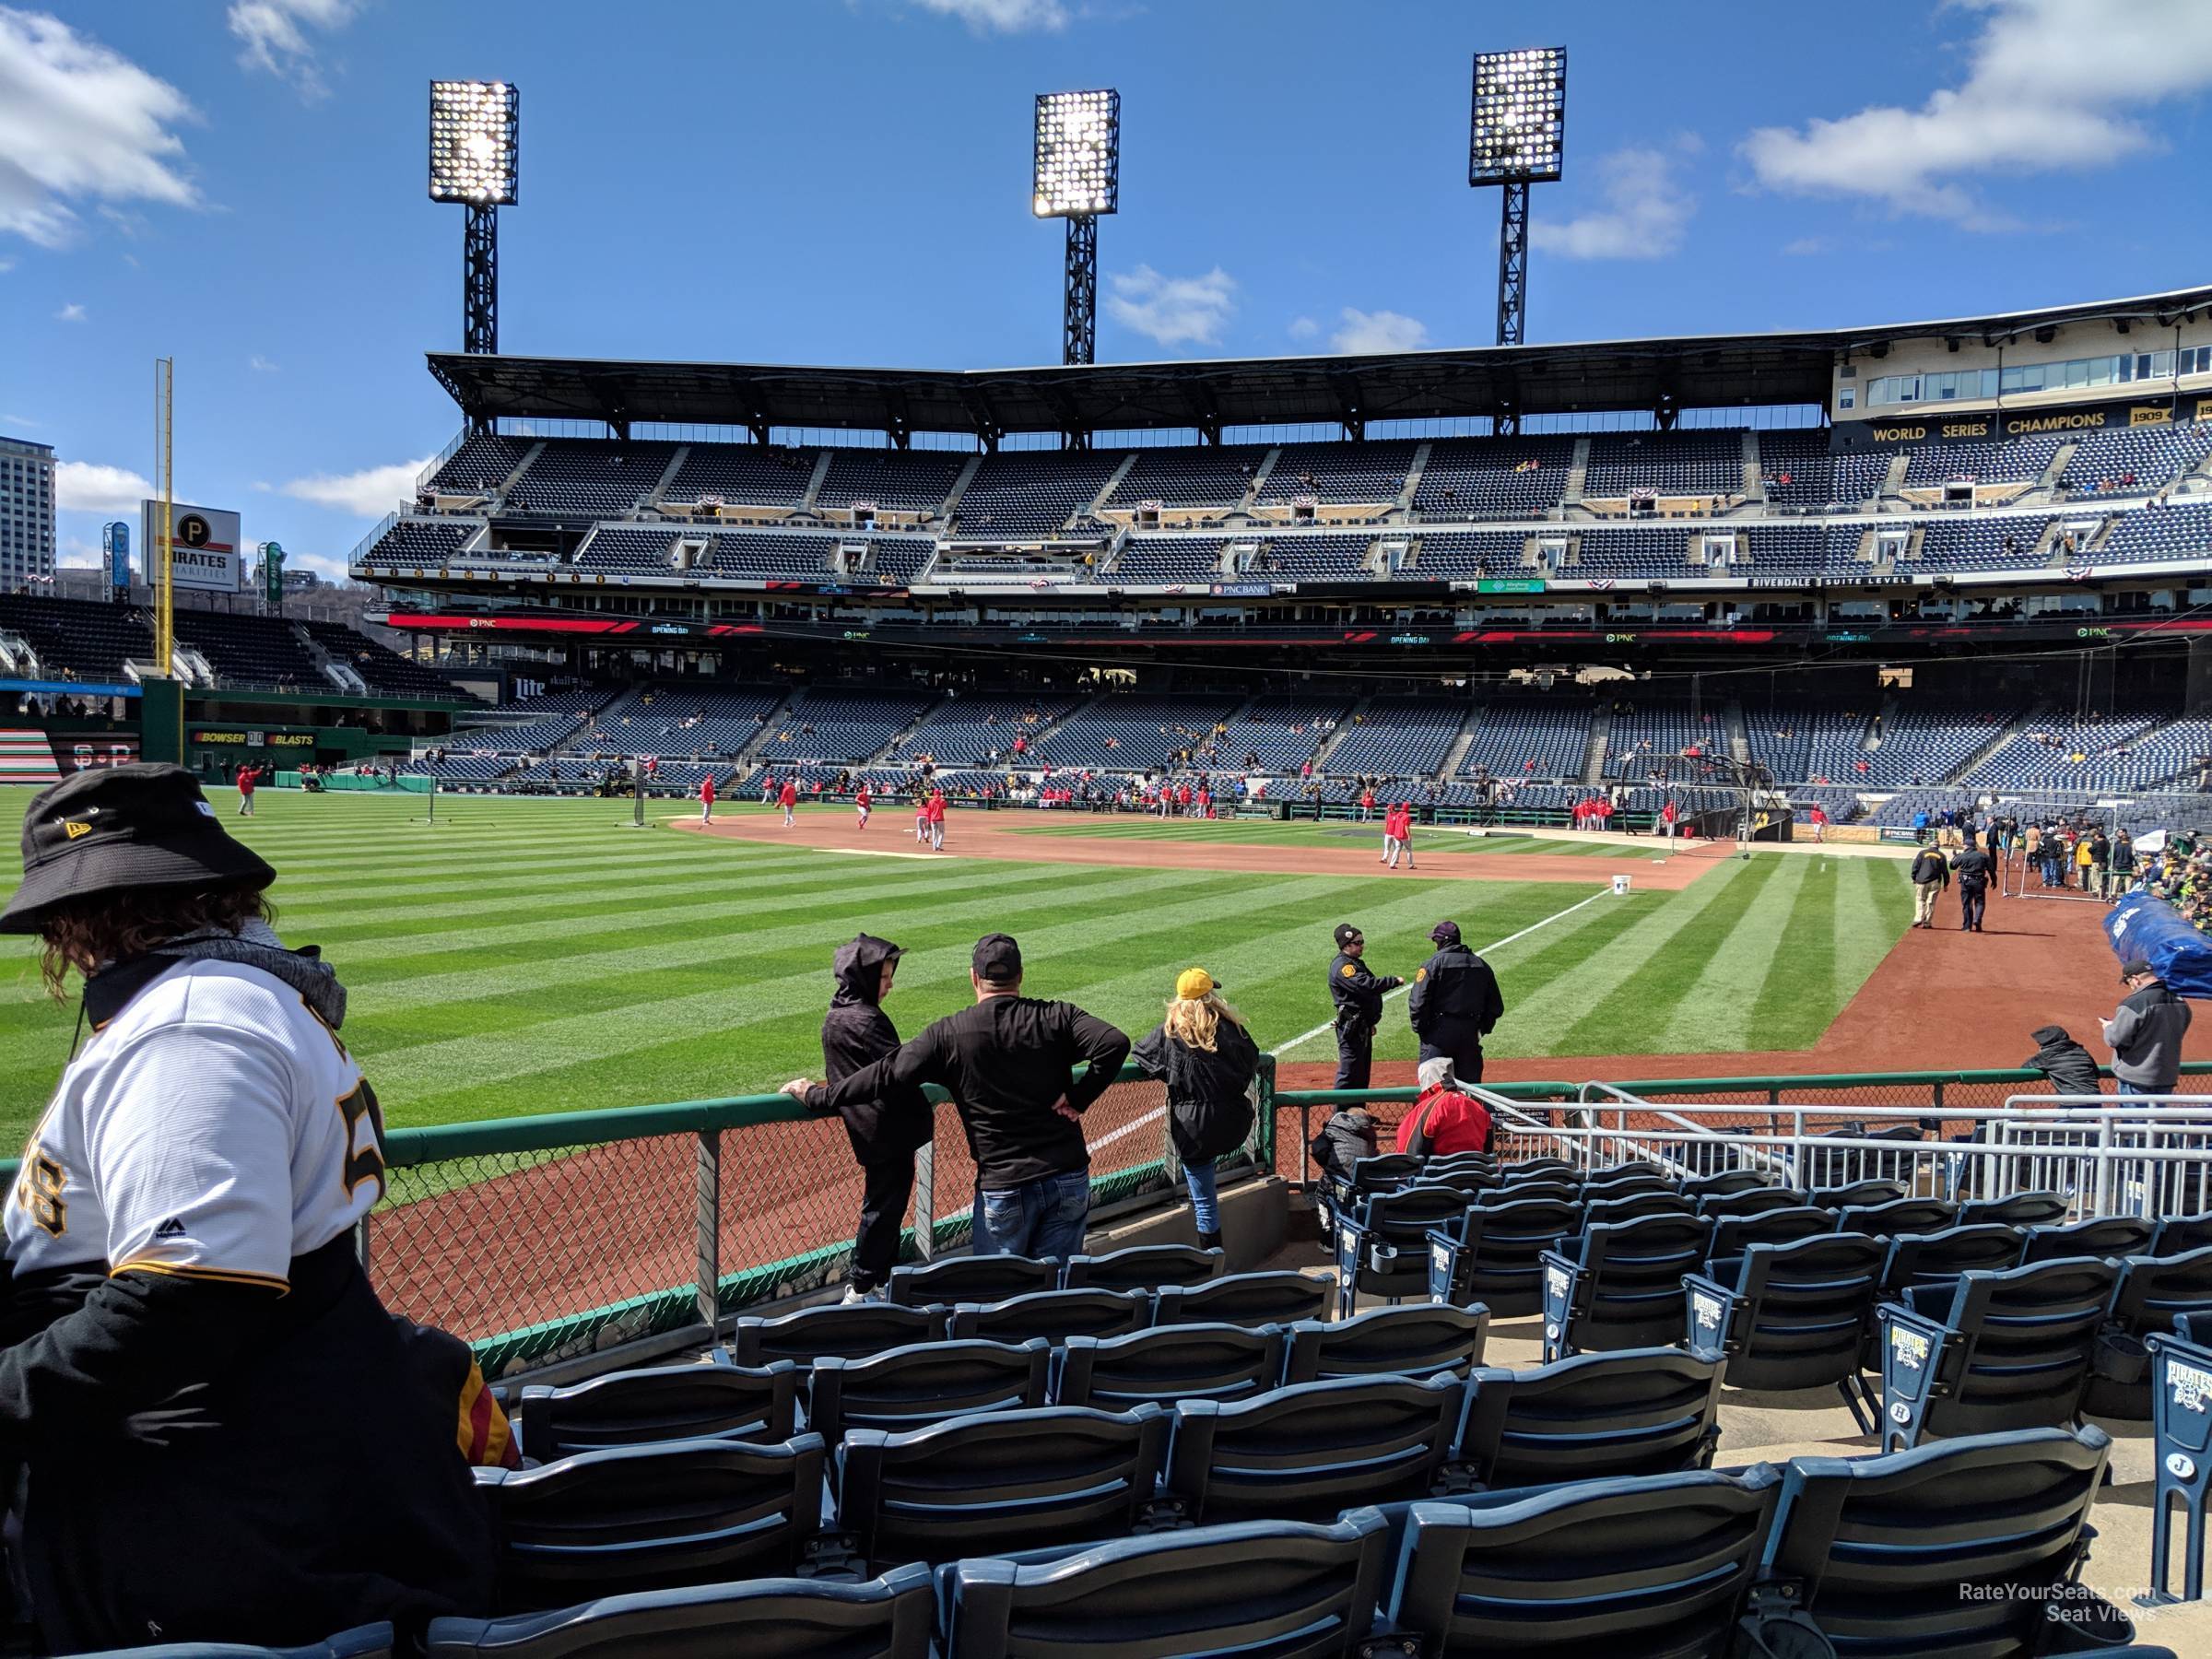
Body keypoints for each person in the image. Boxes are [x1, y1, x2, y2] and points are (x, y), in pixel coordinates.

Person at [0, 765, 495, 1650]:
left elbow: (191, 1296)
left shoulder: (190, 1025)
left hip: (212, 1487)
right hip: (280, 1430)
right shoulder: (241, 995)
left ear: (76, 920)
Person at [785, 934, 1129, 1257]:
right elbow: (1114, 1043)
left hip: (1004, 1184)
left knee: (1001, 1299)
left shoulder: (948, 1034)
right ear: (1020, 975)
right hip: (1067, 1175)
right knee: (1056, 1289)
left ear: (974, 978)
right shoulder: (1057, 1016)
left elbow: (885, 1074)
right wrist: (1079, 1097)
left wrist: (818, 1096)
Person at [812, 934, 933, 1302]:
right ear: (863, 977)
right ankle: (863, 1286)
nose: (890, 984)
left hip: (875, 1129)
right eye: (883, 977)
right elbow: (897, 1072)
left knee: (886, 1210)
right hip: (885, 1131)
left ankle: (875, 1283)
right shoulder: (865, 1019)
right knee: (883, 1211)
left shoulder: (839, 1015)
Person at [1128, 969, 1258, 1253]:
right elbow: (1252, 1059)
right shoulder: (1232, 1028)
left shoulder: (1171, 1032)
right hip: (1235, 1124)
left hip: (1193, 1128)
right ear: (1210, 996)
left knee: (1204, 1202)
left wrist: (1173, 1074)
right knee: (1211, 1177)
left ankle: (1212, 1266)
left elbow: (1141, 1055)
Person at [1406, 919, 1504, 1084]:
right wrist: (1481, 1029)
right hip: (1469, 1032)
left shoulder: (1433, 964)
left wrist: (1423, 1030)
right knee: (1470, 1090)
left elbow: (1418, 1002)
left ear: (1441, 941)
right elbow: (1495, 1006)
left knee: (1434, 1089)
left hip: (1438, 1033)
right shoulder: (1481, 965)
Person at [1328, 922, 1403, 1091]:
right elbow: (1366, 986)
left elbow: (1363, 998)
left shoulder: (1355, 963)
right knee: (1349, 1072)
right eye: (1358, 943)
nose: (1362, 946)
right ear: (1346, 945)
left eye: (1362, 942)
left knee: (1361, 1073)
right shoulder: (1343, 966)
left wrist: (1370, 1022)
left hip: (1362, 1025)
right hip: (1351, 1027)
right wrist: (1393, 981)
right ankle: (1339, 1114)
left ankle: (1357, 1112)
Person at [2102, 957, 2192, 1097]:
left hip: (2136, 1077)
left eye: (2128, 983)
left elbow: (2115, 1039)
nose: (2130, 988)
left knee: (2135, 1118)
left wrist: (2108, 1027)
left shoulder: (2135, 1003)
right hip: (2166, 1076)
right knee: (2156, 1118)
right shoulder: (2180, 1001)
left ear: (2135, 979)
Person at [1394, 1057, 1494, 1157]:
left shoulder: (1428, 1108)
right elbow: (1488, 1151)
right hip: (1476, 1170)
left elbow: (1408, 1151)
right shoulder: (1478, 1108)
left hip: (1438, 1171)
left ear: (1426, 1080)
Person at [2022, 1024, 2102, 1098]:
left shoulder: (2047, 1056)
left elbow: (2024, 1069)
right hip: (2095, 1099)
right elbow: (2097, 1074)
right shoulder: (2081, 1051)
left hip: (2072, 1102)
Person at [1950, 839, 1994, 933]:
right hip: (1979, 882)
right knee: (1980, 902)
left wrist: (1955, 857)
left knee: (1967, 904)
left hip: (1966, 882)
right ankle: (1977, 919)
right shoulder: (1983, 856)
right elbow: (1991, 870)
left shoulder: (1962, 855)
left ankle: (1967, 926)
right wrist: (1994, 881)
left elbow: (1952, 866)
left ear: (1966, 846)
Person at [1909, 840, 1948, 929]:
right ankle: (1927, 922)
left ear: (1930, 845)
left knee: (1920, 899)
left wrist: (1913, 877)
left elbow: (1915, 866)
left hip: (1922, 881)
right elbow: (1945, 871)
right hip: (1935, 881)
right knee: (1931, 902)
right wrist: (1946, 884)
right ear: (1938, 846)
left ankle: (1919, 918)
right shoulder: (1941, 855)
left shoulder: (1922, 853)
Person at [926, 788, 947, 852]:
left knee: (934, 833)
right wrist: (944, 799)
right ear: (939, 794)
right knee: (941, 832)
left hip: (933, 819)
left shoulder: (931, 801)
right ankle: (938, 845)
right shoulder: (942, 801)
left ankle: (934, 847)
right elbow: (945, 807)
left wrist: (928, 821)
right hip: (940, 819)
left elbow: (929, 812)